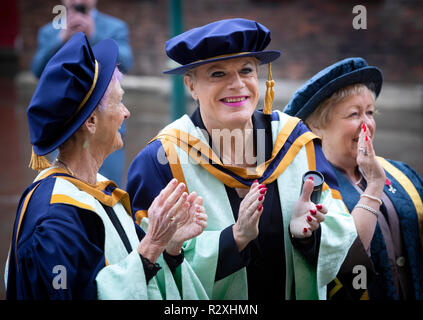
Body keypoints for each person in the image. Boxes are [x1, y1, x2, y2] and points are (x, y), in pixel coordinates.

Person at [126, 18, 357, 300]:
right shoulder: (162, 160)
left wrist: (306, 236)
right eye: (217, 74)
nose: (237, 84)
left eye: (246, 70)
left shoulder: (296, 141)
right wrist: (233, 239)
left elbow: (342, 229)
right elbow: (148, 270)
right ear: (191, 86)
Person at [5, 32, 208, 300]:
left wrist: (168, 246)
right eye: (119, 101)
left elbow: (132, 273)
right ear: (90, 122)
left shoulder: (98, 191)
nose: (127, 112)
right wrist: (150, 246)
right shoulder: (54, 220)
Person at [283, 57, 423, 300]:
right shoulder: (308, 189)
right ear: (315, 127)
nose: (367, 124)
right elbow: (339, 264)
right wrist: (374, 186)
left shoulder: (403, 175)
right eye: (353, 115)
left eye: (370, 112)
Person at [31, 0, 133, 187]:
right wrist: (62, 39)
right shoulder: (50, 31)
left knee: (108, 192)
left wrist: (94, 35)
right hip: (68, 129)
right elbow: (37, 69)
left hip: (106, 128)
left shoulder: (114, 27)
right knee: (67, 187)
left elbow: (126, 62)